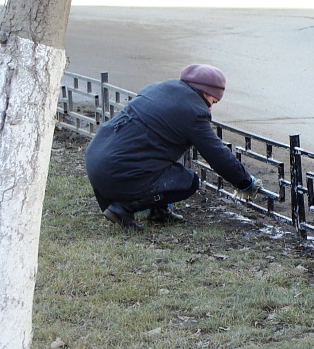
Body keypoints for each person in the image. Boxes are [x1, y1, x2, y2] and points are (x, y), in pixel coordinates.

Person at [85, 64, 261, 231]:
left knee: (163, 166)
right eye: (213, 102)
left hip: (96, 160)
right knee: (188, 182)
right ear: (205, 93)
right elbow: (217, 155)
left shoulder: (157, 89)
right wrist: (244, 182)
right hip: (118, 172)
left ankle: (159, 212)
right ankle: (123, 208)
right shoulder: (193, 112)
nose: (210, 108)